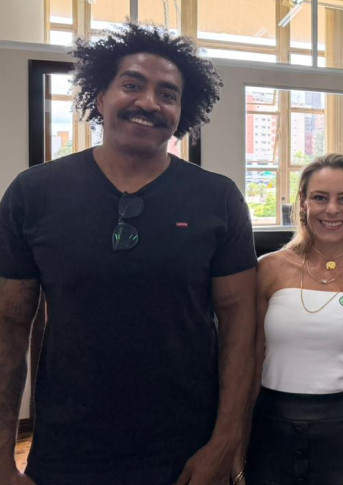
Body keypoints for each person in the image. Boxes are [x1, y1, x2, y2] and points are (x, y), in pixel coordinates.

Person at [0, 23, 257, 485]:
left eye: (168, 93)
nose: (149, 103)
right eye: (132, 84)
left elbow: (242, 330)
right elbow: (8, 331)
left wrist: (225, 443)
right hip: (68, 448)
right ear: (99, 96)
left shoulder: (217, 198)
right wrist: (1, 457)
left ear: (183, 111)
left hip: (184, 449)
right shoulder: (33, 193)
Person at [245, 154, 343, 484]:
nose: (332, 210)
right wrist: (235, 449)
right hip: (271, 431)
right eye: (320, 197)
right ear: (302, 204)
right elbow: (250, 364)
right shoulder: (268, 269)